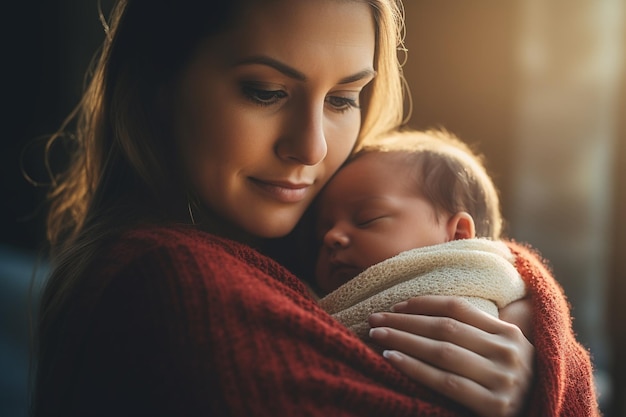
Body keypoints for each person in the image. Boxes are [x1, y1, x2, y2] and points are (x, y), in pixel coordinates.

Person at [31, 0, 599, 416]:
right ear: (160, 85)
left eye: (343, 100)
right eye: (265, 91)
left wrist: (533, 354)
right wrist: (548, 379)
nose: (312, 147)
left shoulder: (312, 260)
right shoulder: (173, 283)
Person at [313, 129, 527, 344]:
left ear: (458, 235)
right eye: (324, 229)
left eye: (367, 219)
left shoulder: (465, 314)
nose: (332, 236)